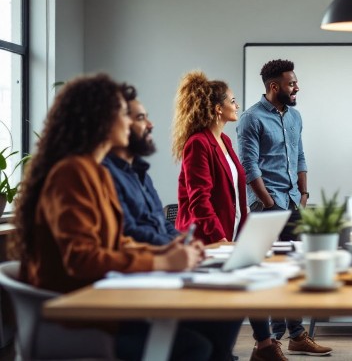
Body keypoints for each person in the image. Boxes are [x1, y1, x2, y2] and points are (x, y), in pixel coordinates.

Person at [12, 74, 241, 360]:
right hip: (80, 316)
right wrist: (160, 259)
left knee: (215, 325)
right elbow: (82, 258)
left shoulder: (94, 172)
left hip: (104, 303)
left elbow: (116, 241)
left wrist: (167, 250)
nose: (135, 122)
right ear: (99, 120)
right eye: (123, 113)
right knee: (198, 343)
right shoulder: (72, 174)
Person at [237, 59, 332, 359]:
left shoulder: (295, 116)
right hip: (268, 207)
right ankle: (267, 341)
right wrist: (269, 202)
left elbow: (300, 155)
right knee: (267, 275)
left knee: (294, 271)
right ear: (274, 86)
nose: (297, 87)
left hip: (292, 202)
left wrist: (303, 194)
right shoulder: (251, 118)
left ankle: (296, 336)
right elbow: (249, 167)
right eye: (292, 84)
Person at [171, 71, 248, 244]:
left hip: (229, 237)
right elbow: (200, 201)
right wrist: (219, 239)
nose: (237, 106)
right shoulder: (198, 143)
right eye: (233, 101)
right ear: (218, 108)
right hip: (205, 241)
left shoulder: (225, 140)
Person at [103, 92, 181, 245]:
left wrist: (184, 241)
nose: (150, 124)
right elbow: (129, 231)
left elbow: (162, 223)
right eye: (140, 118)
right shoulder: (106, 173)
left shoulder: (142, 172)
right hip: (146, 261)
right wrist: (172, 246)